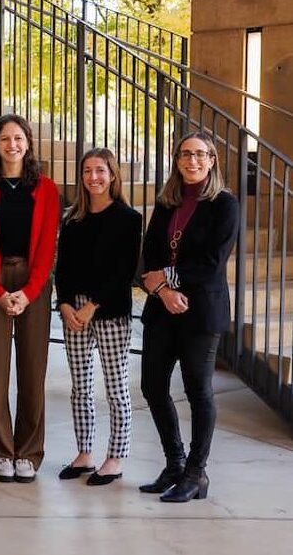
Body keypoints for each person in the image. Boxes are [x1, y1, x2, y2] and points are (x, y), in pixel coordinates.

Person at [139, 131, 238, 502]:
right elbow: (150, 253)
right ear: (176, 160)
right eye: (185, 154)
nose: (192, 161)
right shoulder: (167, 203)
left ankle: (197, 473)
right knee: (152, 386)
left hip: (202, 313)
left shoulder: (225, 205)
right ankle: (175, 463)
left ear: (212, 159)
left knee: (198, 392)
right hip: (163, 310)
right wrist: (163, 292)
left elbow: (212, 263)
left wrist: (167, 278)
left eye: (200, 154)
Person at [0, 113, 61, 483]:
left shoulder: (46, 188)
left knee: (32, 370)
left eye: (18, 138)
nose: (12, 145)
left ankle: (28, 452)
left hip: (34, 282)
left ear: (28, 143)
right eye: (4, 139)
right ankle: (0, 451)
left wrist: (28, 293)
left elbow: (47, 248)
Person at [55, 148, 142, 486]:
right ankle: (85, 453)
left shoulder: (128, 218)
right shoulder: (72, 219)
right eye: (88, 171)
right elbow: (62, 268)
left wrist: (93, 306)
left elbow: (124, 272)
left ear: (112, 175)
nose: (94, 177)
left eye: (100, 171)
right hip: (73, 310)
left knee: (116, 387)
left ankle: (116, 457)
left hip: (108, 311)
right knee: (81, 386)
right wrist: (64, 304)